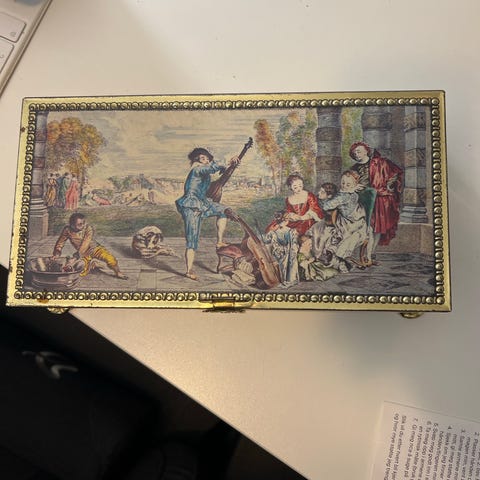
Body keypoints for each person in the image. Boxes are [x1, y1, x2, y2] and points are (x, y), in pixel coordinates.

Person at [175, 147, 239, 281]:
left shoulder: (206, 173)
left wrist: (231, 166)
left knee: (224, 210)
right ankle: (189, 270)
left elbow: (216, 173)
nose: (204, 161)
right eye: (201, 159)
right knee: (192, 240)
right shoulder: (197, 169)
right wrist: (228, 161)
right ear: (196, 161)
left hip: (203, 204)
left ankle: (219, 241)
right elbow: (211, 168)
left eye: (206, 158)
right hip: (191, 207)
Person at [349, 142, 403, 259]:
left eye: (359, 151)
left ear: (366, 151)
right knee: (363, 226)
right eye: (355, 152)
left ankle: (371, 253)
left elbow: (395, 173)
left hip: (379, 199)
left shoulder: (379, 163)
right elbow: (347, 184)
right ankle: (360, 253)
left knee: (377, 227)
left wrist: (388, 185)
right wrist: (354, 187)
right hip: (362, 200)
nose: (356, 154)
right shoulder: (353, 169)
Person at [317, 170, 369, 273]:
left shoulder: (343, 196)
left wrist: (323, 199)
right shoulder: (353, 193)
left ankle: (338, 258)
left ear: (355, 185)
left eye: (348, 184)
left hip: (350, 224)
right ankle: (339, 258)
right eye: (343, 183)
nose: (344, 186)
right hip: (356, 222)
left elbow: (326, 206)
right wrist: (351, 188)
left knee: (340, 238)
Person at [52, 213, 128, 279]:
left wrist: (75, 257)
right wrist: (57, 253)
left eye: (83, 223)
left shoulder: (88, 228)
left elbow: (86, 243)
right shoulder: (67, 230)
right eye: (79, 224)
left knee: (110, 259)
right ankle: (93, 263)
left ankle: (118, 272)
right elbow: (60, 242)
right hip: (83, 253)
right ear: (72, 225)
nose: (82, 225)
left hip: (95, 249)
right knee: (80, 270)